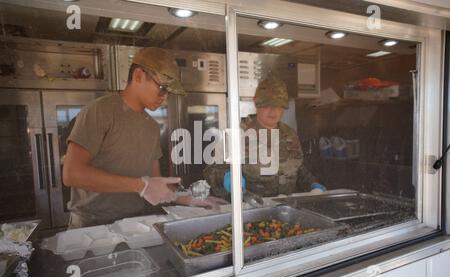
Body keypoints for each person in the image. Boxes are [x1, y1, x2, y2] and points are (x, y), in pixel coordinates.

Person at [63, 47, 223, 229]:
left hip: (136, 223)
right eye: (162, 88)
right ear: (139, 75)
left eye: (169, 92)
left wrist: (187, 198)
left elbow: (155, 181)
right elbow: (72, 174)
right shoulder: (100, 111)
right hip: (91, 226)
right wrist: (140, 185)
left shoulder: (151, 127)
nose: (165, 97)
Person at [203, 78, 326, 199]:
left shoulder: (290, 134)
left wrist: (312, 184)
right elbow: (211, 171)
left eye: (278, 105)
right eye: (267, 105)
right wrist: (226, 177)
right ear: (256, 102)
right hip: (249, 209)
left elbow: (297, 168)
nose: (273, 110)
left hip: (285, 208)